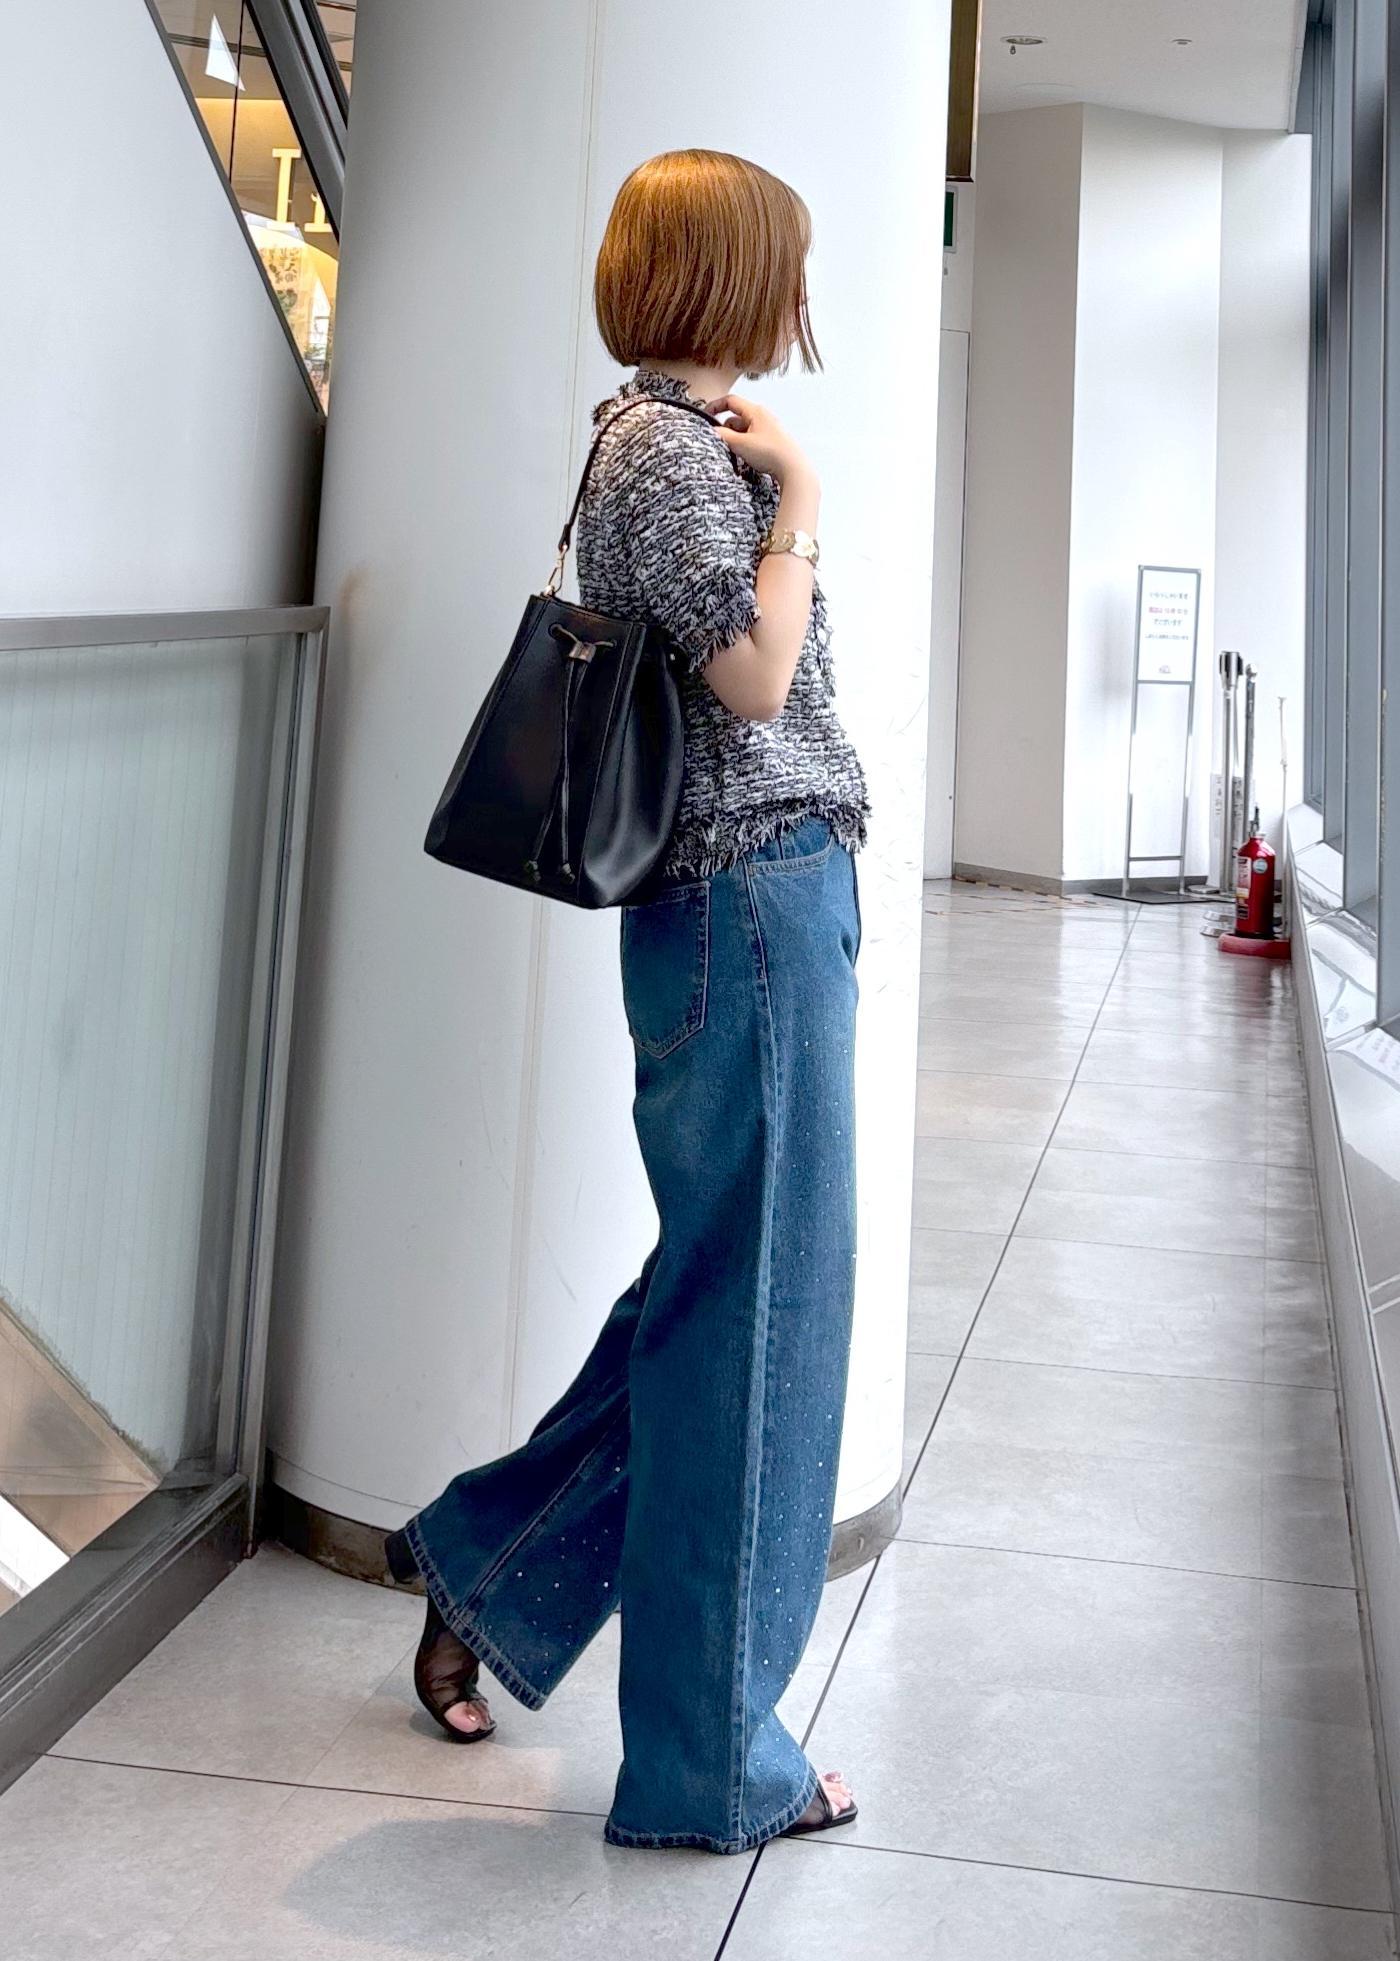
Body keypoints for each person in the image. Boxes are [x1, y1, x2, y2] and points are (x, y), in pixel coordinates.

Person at [384, 147, 870, 1854]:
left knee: (717, 1299)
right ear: (731, 274)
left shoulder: (671, 440)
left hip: (746, 910)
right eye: (785, 265)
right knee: (756, 1329)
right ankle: (707, 1764)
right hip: (748, 907)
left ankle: (488, 1566)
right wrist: (801, 499)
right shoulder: (671, 453)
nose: (801, 297)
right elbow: (754, 680)